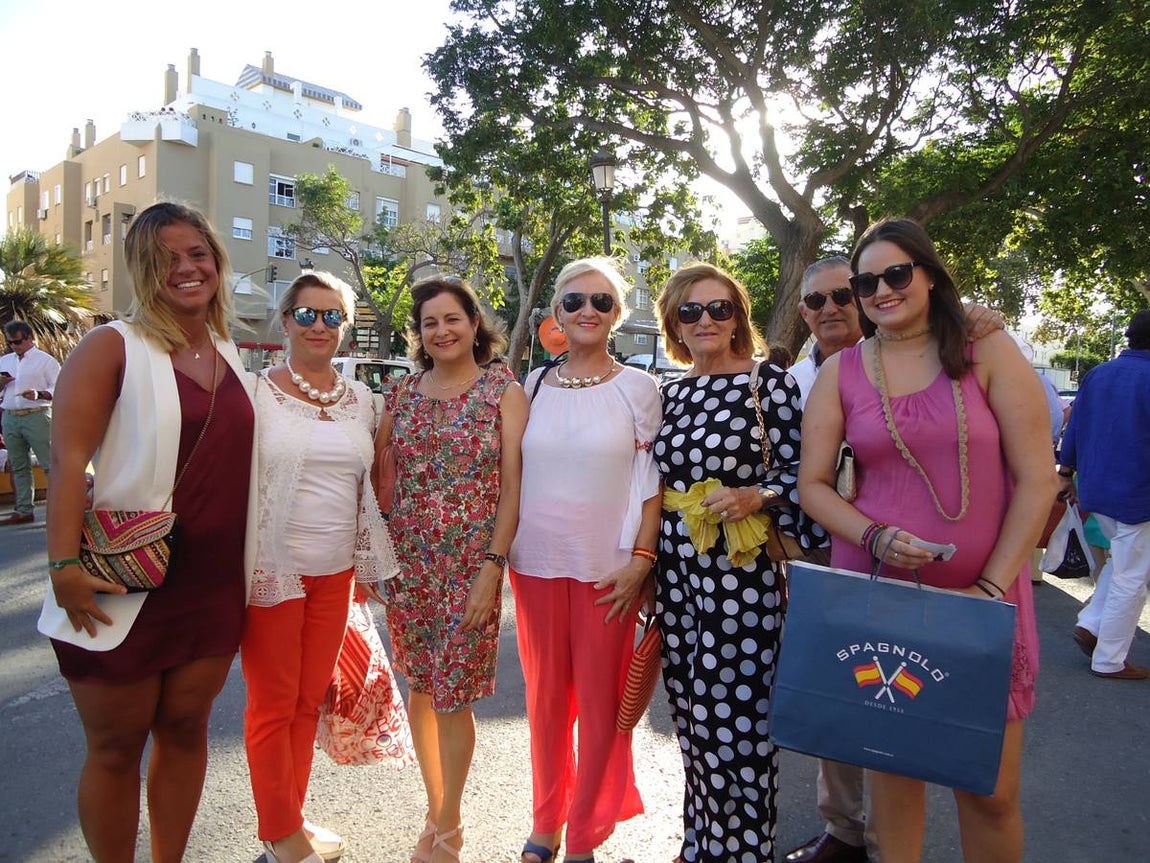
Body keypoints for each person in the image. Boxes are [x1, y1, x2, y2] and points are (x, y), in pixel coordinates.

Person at [798, 218, 1055, 863]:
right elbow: (814, 486)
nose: (882, 290)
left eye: (897, 274)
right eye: (866, 282)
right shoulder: (843, 372)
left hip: (984, 603)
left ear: (930, 276)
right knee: (894, 776)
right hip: (881, 597)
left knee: (989, 789)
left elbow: (1038, 480)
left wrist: (990, 587)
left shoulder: (984, 348)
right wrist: (875, 536)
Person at [37, 201, 259, 862]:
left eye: (197, 252)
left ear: (216, 260)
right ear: (143, 269)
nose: (187, 268)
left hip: (212, 586)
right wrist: (61, 567)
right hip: (117, 577)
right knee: (113, 747)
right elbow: (67, 463)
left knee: (186, 730)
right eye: (167, 258)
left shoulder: (227, 348)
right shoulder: (112, 346)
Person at [653, 262, 813, 863]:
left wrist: (759, 495)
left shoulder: (768, 384)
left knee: (741, 720)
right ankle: (701, 845)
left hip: (742, 573)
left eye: (720, 309)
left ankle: (747, 850)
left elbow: (804, 475)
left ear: (738, 318)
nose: (706, 321)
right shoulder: (669, 392)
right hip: (677, 571)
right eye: (691, 311)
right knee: (692, 711)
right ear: (674, 321)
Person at [242, 271, 399, 863]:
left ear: (347, 327)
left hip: (336, 574)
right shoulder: (255, 393)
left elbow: (373, 490)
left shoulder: (365, 401)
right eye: (306, 314)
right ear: (285, 322)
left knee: (309, 703)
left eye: (333, 316)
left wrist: (368, 564)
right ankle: (280, 834)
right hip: (272, 572)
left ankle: (292, 822)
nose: (319, 326)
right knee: (271, 705)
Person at [510, 258, 662, 863]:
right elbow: (513, 473)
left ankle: (585, 832)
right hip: (536, 562)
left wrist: (643, 559)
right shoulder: (534, 385)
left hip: (609, 569)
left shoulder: (639, 388)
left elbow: (651, 479)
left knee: (601, 707)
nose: (588, 311)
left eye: (602, 302)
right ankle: (546, 820)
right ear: (557, 315)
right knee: (546, 703)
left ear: (618, 315)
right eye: (575, 301)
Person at [372, 275, 527, 863]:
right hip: (408, 565)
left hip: (471, 564)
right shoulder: (401, 395)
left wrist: (494, 566)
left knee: (452, 695)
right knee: (420, 686)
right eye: (430, 322)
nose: (441, 330)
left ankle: (451, 826)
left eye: (452, 319)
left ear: (473, 323)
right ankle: (434, 814)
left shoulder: (501, 391)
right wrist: (373, 557)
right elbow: (376, 477)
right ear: (420, 333)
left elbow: (513, 487)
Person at [1059, 309, 1150, 680]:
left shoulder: (1099, 373)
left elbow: (1075, 426)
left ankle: (1092, 624)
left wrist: (1066, 472)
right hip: (1138, 493)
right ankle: (1110, 658)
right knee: (1133, 575)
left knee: (1122, 564)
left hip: (1097, 488)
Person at [0, 320, 60, 524]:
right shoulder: (5, 361)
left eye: (17, 342)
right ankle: (24, 510)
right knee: (18, 466)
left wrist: (40, 393)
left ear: (29, 338)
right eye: (10, 343)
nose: (14, 346)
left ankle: (58, 510)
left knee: (50, 465)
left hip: (37, 414)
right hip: (10, 416)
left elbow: (59, 387)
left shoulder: (46, 361)